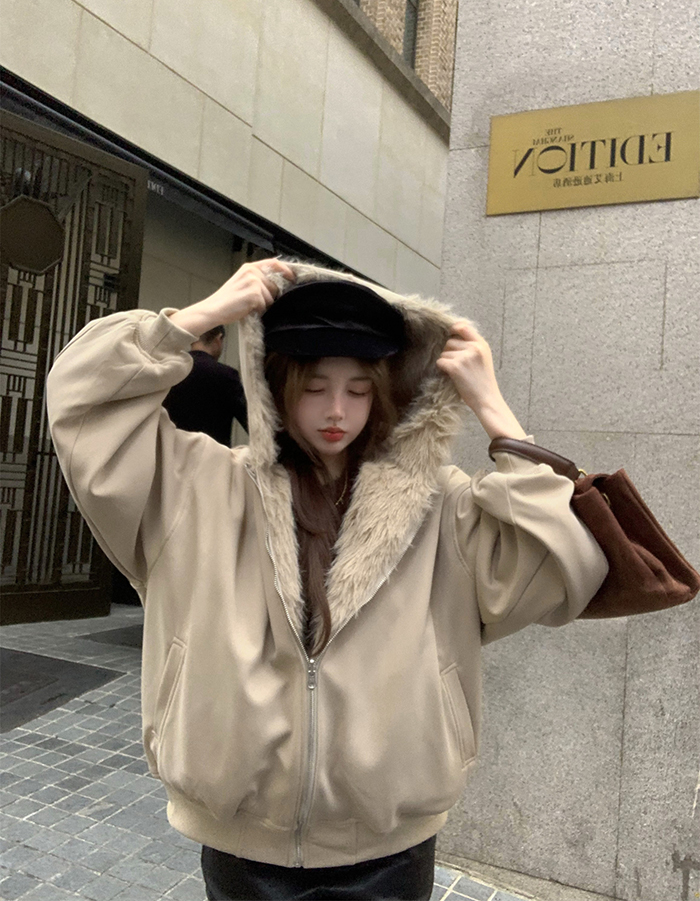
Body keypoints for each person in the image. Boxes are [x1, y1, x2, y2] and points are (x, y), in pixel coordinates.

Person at [46, 258, 608, 901]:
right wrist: (195, 318)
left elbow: (560, 562)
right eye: (314, 387)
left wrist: (493, 408)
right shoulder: (197, 486)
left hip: (390, 848)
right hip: (243, 842)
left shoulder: (438, 504)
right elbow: (83, 400)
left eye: (359, 390)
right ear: (275, 385)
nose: (337, 410)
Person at [163, 324, 248, 444]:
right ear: (218, 338)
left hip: (171, 450)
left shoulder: (170, 372)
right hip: (213, 452)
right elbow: (251, 421)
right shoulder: (227, 375)